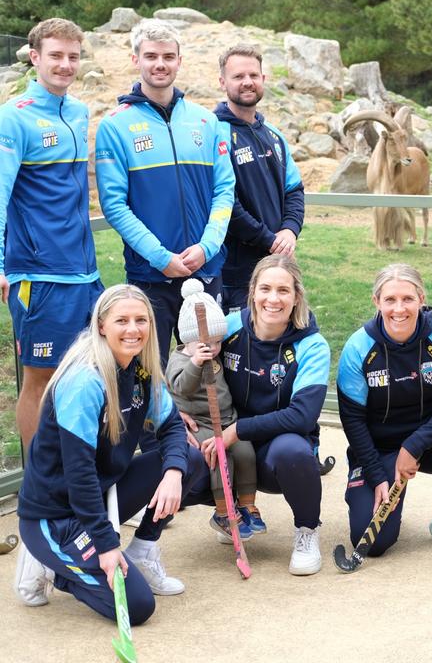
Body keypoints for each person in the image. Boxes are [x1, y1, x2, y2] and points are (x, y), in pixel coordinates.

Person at [13, 284, 205, 623]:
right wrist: (105, 545)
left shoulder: (142, 370)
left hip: (99, 496)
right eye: (122, 321)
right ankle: (51, 566)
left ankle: (143, 549)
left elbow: (174, 426)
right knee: (138, 607)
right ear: (101, 325)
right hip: (56, 516)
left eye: (141, 320)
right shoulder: (85, 380)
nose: (133, 330)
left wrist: (173, 474)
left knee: (190, 458)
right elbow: (79, 474)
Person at [95, 20, 235, 365]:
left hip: (206, 268)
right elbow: (114, 205)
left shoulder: (206, 121)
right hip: (151, 275)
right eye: (151, 56)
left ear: (179, 61)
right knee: (149, 371)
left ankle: (196, 422)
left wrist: (207, 247)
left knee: (207, 372)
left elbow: (225, 189)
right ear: (136, 59)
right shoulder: (115, 125)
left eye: (168, 56)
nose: (160, 63)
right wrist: (160, 257)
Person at [186, 254, 330, 575]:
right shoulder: (230, 326)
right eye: (265, 288)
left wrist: (236, 431)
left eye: (283, 291)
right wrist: (178, 405)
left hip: (276, 452)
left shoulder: (312, 345)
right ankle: (229, 513)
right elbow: (185, 363)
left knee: (293, 451)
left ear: (296, 298)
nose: (273, 299)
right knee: (185, 457)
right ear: (252, 291)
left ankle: (307, 531)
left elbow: (302, 417)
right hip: (233, 449)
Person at [337, 263, 432, 557]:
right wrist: (376, 474)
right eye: (390, 300)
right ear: (376, 301)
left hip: (429, 444)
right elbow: (353, 420)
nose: (399, 309)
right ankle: (364, 488)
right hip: (379, 450)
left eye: (408, 299)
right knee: (373, 543)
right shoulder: (358, 347)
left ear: (421, 298)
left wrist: (413, 445)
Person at [0, 17, 103, 448]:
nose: (65, 65)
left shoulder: (78, 112)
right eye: (56, 56)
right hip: (39, 276)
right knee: (40, 381)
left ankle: (79, 480)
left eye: (72, 57)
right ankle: (38, 493)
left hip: (85, 273)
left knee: (88, 375)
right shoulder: (13, 118)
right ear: (35, 57)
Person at [165, 278, 261, 543]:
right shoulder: (180, 358)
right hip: (202, 422)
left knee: (244, 451)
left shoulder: (215, 353)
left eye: (219, 342)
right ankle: (223, 512)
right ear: (189, 339)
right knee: (219, 456)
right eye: (209, 343)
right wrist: (196, 362)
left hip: (228, 418)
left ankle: (248, 504)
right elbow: (181, 387)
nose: (215, 348)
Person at [214, 44, 304, 314]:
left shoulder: (274, 134)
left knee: (279, 343)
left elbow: (294, 190)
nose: (247, 82)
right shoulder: (213, 132)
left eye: (253, 75)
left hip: (280, 265)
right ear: (222, 82)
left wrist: (289, 230)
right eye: (238, 76)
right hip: (235, 273)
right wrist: (268, 239)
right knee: (238, 348)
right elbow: (225, 202)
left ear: (263, 79)